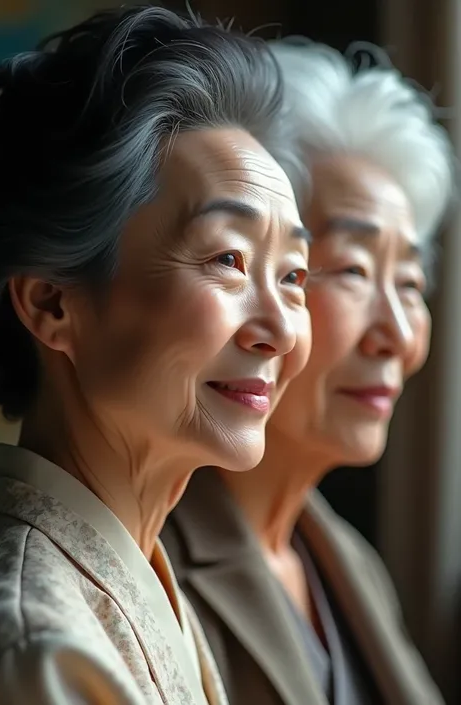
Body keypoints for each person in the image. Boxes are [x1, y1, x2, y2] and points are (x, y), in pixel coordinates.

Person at [0, 10, 312, 705]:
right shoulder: (40, 652)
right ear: (51, 304)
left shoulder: (140, 570)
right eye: (228, 258)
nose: (281, 329)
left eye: (292, 275)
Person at [162, 39, 455, 705]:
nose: (400, 335)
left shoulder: (345, 562)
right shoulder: (152, 566)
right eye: (351, 269)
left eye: (409, 283)